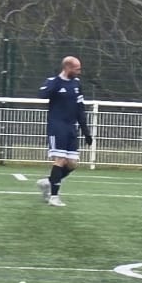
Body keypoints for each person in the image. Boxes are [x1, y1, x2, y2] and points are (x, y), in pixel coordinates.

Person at [37, 55, 91, 206]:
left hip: (71, 128)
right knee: (60, 160)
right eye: (77, 69)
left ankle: (48, 182)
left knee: (72, 163)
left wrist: (86, 130)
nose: (79, 72)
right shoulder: (53, 81)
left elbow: (80, 108)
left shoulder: (77, 84)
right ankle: (54, 197)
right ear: (67, 67)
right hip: (57, 127)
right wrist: (56, 83)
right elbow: (42, 95)